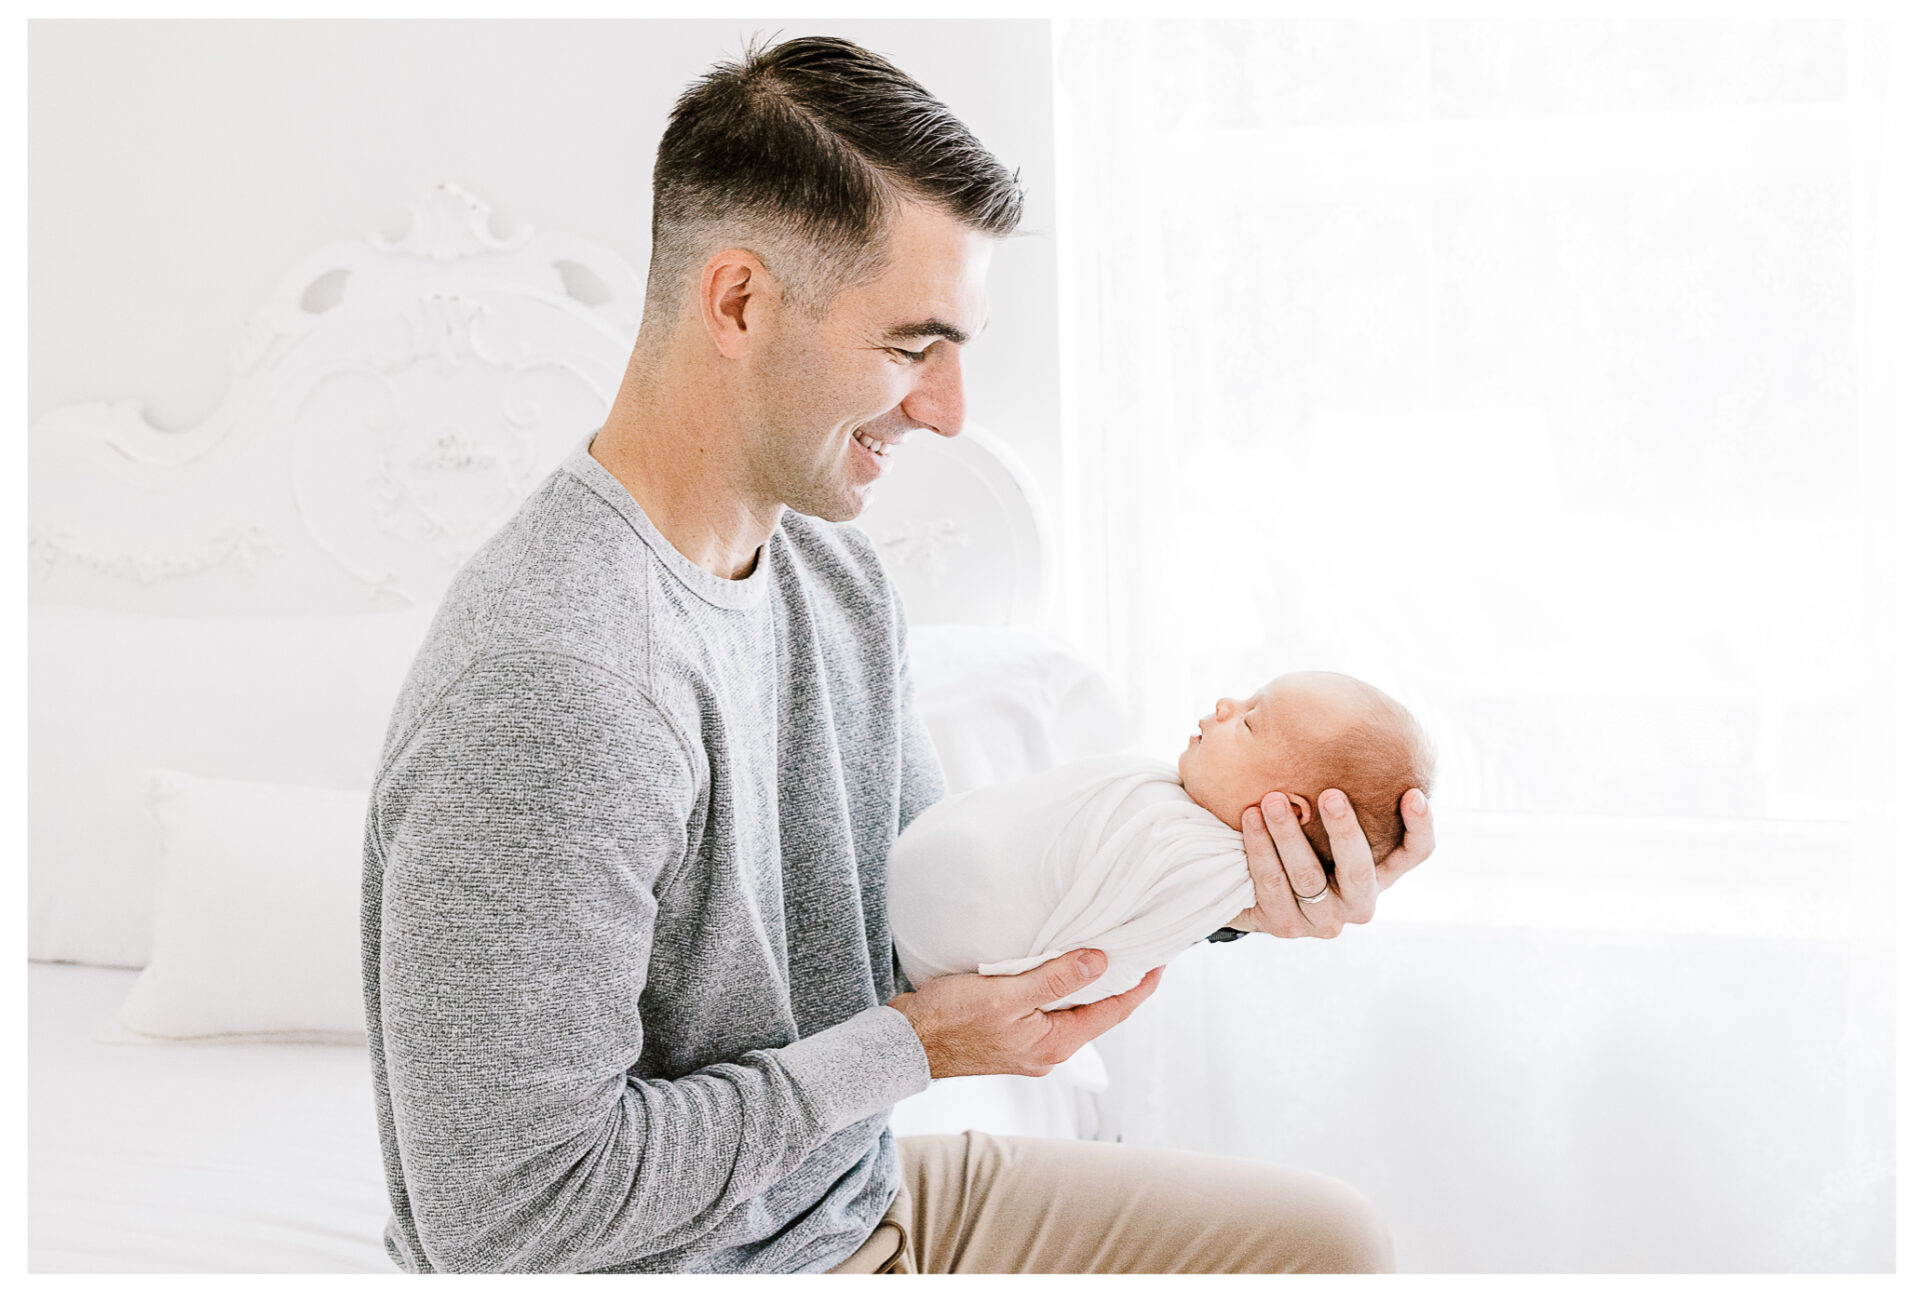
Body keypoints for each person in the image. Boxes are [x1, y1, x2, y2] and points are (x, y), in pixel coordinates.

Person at [359, 35, 1435, 1275]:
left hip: (845, 1203)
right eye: (912, 346)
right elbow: (504, 1218)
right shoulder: (562, 683)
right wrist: (914, 1048)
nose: (949, 410)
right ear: (739, 302)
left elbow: (932, 930)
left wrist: (1224, 881)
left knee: (1331, 1246)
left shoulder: (834, 580)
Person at [889, 670, 1437, 1011]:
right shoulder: (1170, 801)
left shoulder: (1208, 868)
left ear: (1287, 815)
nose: (1224, 704)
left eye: (1249, 722)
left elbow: (1134, 925)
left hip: (929, 949)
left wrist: (1241, 912)